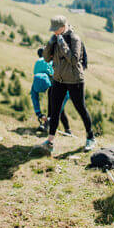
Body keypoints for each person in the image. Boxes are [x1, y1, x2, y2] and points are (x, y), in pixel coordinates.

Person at [40, 15, 96, 153]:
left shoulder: (74, 39)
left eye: (55, 30)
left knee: (80, 108)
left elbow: (74, 60)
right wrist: (51, 42)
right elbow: (46, 58)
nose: (53, 32)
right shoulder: (55, 38)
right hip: (58, 79)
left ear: (63, 27)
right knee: (55, 109)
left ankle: (91, 137)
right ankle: (50, 141)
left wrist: (62, 44)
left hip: (74, 80)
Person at [30, 48, 70, 134]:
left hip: (66, 84)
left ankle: (54, 126)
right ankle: (63, 128)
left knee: (56, 106)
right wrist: (39, 114)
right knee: (53, 104)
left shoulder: (56, 71)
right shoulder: (36, 80)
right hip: (52, 81)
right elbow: (34, 97)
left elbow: (66, 95)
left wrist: (53, 116)